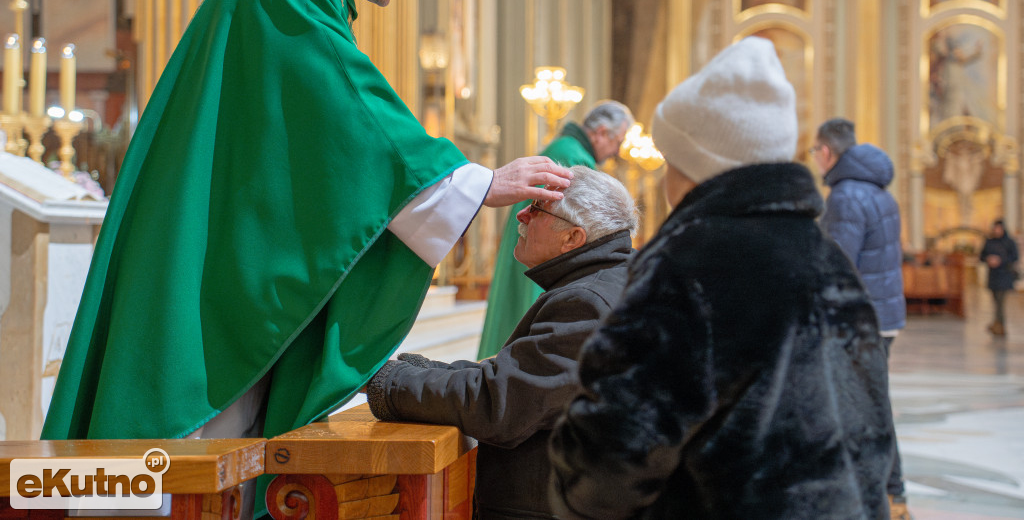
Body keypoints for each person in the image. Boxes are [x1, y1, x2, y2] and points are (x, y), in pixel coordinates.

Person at [42, 0, 571, 460]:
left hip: (219, 226)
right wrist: (478, 182)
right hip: (206, 247)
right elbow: (351, 113)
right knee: (183, 437)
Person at [549, 37, 895, 519]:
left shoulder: (689, 262)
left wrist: (572, 494)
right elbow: (873, 423)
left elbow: (616, 446)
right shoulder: (827, 258)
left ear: (692, 169)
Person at [367, 166, 637, 519]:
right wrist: (425, 369)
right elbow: (525, 375)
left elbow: (499, 404)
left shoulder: (587, 304)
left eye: (538, 208)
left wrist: (388, 383)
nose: (521, 215)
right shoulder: (611, 284)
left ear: (573, 238)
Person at [477, 101, 633, 359]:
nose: (617, 150)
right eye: (618, 140)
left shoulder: (566, 149)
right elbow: (581, 222)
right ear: (602, 132)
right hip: (543, 248)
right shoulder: (572, 157)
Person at [812, 117, 910, 519]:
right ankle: (890, 494)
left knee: (868, 407)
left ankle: (892, 497)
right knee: (871, 403)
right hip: (882, 312)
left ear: (825, 151)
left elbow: (839, 266)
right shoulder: (877, 191)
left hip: (859, 319)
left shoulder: (846, 195)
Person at [980, 218, 1018, 337]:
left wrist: (1000, 261)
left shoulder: (1009, 242)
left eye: (998, 228)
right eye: (995, 228)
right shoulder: (989, 242)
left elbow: (1015, 257)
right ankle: (997, 324)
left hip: (1005, 275)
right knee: (996, 301)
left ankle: (1000, 326)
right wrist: (988, 259)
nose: (996, 230)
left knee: (1001, 302)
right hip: (993, 276)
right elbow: (981, 256)